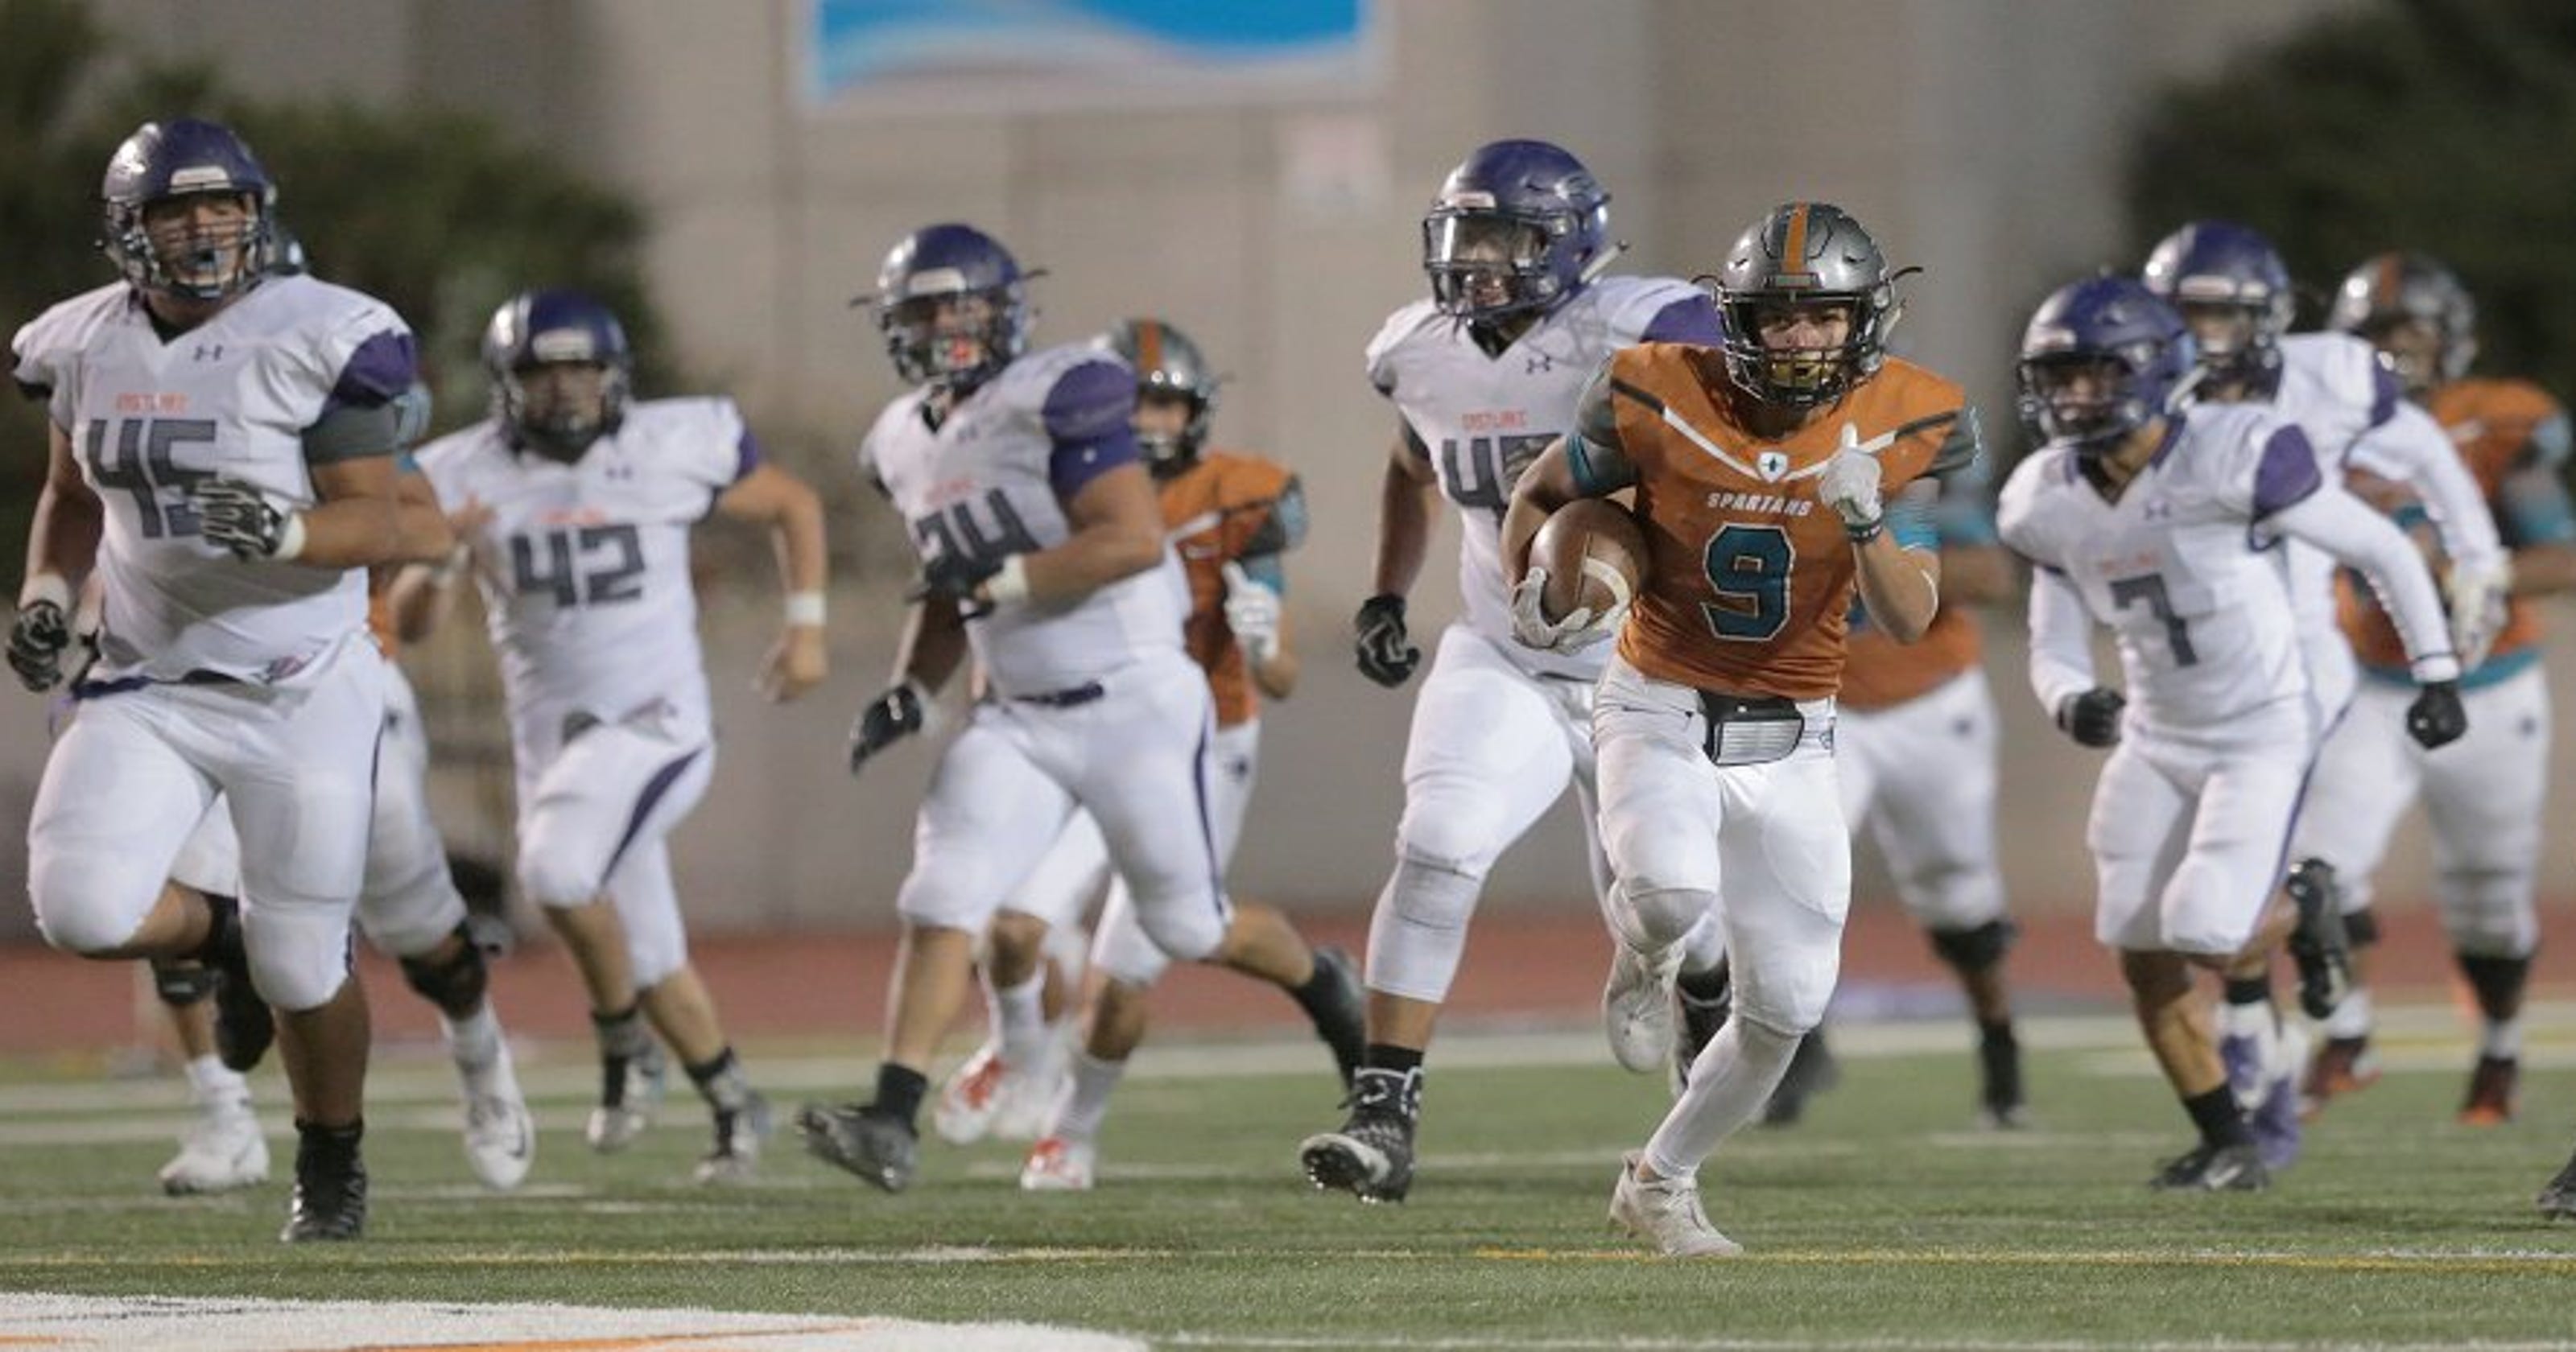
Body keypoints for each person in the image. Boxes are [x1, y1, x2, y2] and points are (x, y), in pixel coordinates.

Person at [802, 225, 1359, 1194]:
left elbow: (1129, 541)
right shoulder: (896, 441)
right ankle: (891, 1117)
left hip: (1133, 704)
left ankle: (1327, 990)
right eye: (925, 311)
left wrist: (1006, 575)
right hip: (1015, 714)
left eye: (962, 307)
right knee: (942, 898)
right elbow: (948, 584)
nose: (946, 328)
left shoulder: (1059, 393)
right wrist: (908, 687)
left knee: (1184, 929)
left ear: (1006, 311)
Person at [1501, 201, 1976, 1255]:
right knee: (1670, 897)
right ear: (1739, 320)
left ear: (1868, 319)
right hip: (1657, 699)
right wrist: (1530, 600)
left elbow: (1909, 614)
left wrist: (1863, 521)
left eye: (1823, 318)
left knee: (1789, 1009)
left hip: (1800, 726)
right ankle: (1643, 957)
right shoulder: (1653, 388)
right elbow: (1542, 495)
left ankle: (1659, 1181)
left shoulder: (1917, 416)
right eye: (1778, 317)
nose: (1800, 339)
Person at [10, 117, 422, 1241]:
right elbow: (73, 494)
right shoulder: (80, 343)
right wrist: (47, 594)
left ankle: (330, 1157)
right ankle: (218, 933)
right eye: (175, 209)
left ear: (258, 211)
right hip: (148, 680)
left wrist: (291, 533)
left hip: (298, 682)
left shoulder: (320, 333)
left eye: (223, 205)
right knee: (83, 908)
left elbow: (387, 516)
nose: (205, 227)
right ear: (124, 231)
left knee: (305, 963)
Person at [1297, 138, 1728, 1207]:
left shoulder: (1638, 328)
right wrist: (1389, 592)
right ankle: (1382, 1111)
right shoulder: (1418, 350)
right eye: (1465, 236)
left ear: (1572, 243)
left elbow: (1730, 392)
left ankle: (1688, 984)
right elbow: (1413, 467)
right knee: (1439, 844)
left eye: (1505, 238)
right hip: (1507, 655)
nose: (1478, 261)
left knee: (1674, 908)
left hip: (1648, 667)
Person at [1996, 274, 2464, 1194]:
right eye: (2058, 377)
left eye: (2093, 376)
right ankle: (2224, 1138)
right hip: (2154, 732)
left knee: (2205, 925)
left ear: (2151, 371)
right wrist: (2066, 698)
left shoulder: (2233, 451)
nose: (2072, 397)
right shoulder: (2039, 496)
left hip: (2258, 729)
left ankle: (2302, 899)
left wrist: (2434, 667)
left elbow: (2377, 548)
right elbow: (2048, 636)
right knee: (2135, 944)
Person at [399, 287, 829, 1185]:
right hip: (555, 742)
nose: (562, 391)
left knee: (556, 872)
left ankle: (620, 1044)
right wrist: (442, 553)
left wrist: (807, 625)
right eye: (541, 372)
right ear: (505, 383)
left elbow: (792, 503)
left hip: (657, 724)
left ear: (614, 377)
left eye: (579, 370)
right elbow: (406, 621)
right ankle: (731, 1103)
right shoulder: (458, 470)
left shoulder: (668, 446)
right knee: (650, 947)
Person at [931, 317, 1360, 1192]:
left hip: (1197, 738)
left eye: (1163, 403)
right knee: (1008, 926)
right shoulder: (1046, 488)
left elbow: (1277, 677)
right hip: (1075, 725)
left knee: (1135, 962)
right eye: (1132, 405)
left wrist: (1257, 634)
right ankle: (1015, 1052)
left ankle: (1075, 1128)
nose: (1149, 422)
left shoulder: (1239, 495)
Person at [2139, 221, 2504, 1164]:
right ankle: (2296, 997)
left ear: (2266, 316)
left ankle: (2264, 1098)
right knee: (2208, 894)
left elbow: (2425, 454)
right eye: (2184, 313)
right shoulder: (2134, 388)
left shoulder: (2331, 374)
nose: (2202, 333)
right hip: (2199, 671)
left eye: (2220, 312)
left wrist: (2473, 563)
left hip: (2298, 662)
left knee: (2224, 905)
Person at [2294, 253, 2576, 1124]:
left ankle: (2495, 1052)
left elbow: (2555, 556)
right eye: (2379, 334)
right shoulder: (2312, 424)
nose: (2397, 351)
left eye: (2412, 332)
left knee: (2488, 898)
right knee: (2314, 869)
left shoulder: (2493, 421)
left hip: (2488, 687)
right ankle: (2345, 1033)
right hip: (2369, 682)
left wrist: (2459, 575)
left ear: (2450, 341)